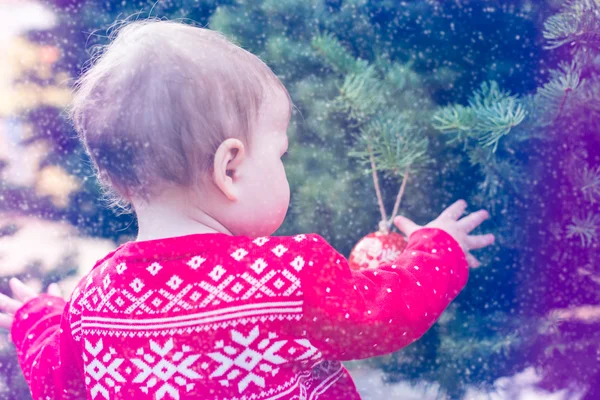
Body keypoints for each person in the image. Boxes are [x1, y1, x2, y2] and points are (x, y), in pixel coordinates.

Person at [0, 19, 495, 400]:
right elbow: (386, 311)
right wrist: (438, 247)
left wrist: (37, 316)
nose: (284, 167)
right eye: (278, 154)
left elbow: (56, 376)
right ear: (229, 169)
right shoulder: (286, 279)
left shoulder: (93, 305)